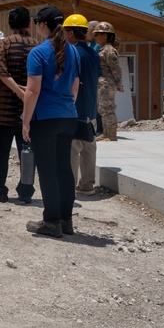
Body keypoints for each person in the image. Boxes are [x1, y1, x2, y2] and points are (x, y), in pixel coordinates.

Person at [23, 5, 80, 238]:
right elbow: (75, 86)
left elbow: (32, 90)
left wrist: (26, 121)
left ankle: (52, 221)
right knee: (64, 169)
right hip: (68, 115)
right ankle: (66, 220)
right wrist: (67, 106)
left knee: (47, 171)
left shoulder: (38, 52)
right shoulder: (74, 51)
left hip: (45, 118)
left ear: (42, 25)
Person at [0, 7, 39, 203]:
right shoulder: (37, 46)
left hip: (2, 110)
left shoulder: (3, 45)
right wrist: (27, 95)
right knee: (27, 152)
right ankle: (26, 190)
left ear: (10, 25)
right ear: (28, 23)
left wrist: (19, 92)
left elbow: (0, 73)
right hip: (30, 109)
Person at [64, 14, 101, 197]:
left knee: (72, 148)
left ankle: (68, 186)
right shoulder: (94, 53)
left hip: (74, 109)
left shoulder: (71, 53)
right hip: (91, 108)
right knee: (89, 147)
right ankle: (87, 185)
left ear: (70, 33)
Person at [94, 21, 124, 141]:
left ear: (105, 36)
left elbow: (116, 69)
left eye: (97, 35)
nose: (95, 37)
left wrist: (119, 84)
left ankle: (111, 134)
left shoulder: (109, 51)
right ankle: (106, 133)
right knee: (103, 108)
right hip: (102, 83)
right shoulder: (103, 49)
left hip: (107, 83)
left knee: (108, 109)